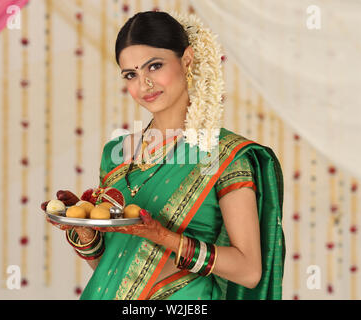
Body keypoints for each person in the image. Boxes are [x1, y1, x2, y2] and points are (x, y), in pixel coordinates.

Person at [44, 10, 285, 300]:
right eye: (131, 74)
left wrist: (162, 236)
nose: (143, 84)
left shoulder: (222, 154)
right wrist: (85, 232)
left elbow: (248, 271)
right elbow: (111, 267)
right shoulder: (116, 155)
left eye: (154, 66)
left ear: (187, 60)